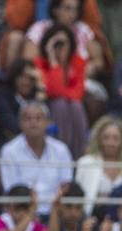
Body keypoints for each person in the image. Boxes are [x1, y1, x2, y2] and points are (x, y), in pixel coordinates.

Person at [0, 102, 74, 219]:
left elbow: (66, 185)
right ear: (20, 123)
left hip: (56, 213)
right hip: (22, 213)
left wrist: (55, 210)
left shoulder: (61, 149)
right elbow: (11, 189)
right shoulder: (9, 150)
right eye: (27, 118)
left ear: (48, 123)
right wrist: (30, 212)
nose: (33, 123)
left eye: (38, 118)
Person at [36, 23, 89, 158]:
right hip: (48, 108)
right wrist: (53, 62)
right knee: (60, 104)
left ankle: (78, 156)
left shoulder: (78, 63)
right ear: (48, 45)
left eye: (63, 44)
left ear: (71, 46)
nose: (59, 48)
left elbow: (78, 93)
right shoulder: (40, 64)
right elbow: (54, 92)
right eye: (55, 44)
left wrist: (61, 92)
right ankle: (61, 156)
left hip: (72, 109)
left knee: (75, 105)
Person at [74, 114, 122, 213]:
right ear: (99, 140)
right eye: (106, 138)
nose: (110, 143)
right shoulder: (85, 162)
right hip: (93, 216)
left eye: (116, 138)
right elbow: (78, 195)